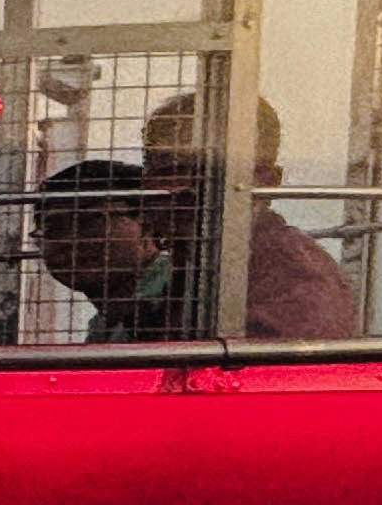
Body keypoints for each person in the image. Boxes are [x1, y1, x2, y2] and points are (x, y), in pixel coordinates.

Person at [137, 94, 360, 340]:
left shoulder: (295, 279)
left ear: (269, 182)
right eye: (171, 169)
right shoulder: (195, 261)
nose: (193, 187)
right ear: (148, 180)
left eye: (221, 172)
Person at [32, 159, 185, 341]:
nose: (72, 240)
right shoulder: (104, 329)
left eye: (89, 221)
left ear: (147, 224)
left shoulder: (182, 296)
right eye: (55, 229)